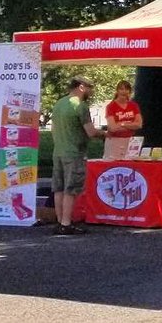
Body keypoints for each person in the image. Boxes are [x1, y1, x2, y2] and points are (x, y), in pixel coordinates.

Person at [52, 75, 105, 235]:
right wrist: (105, 134)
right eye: (90, 88)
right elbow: (91, 132)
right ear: (81, 87)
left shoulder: (59, 104)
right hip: (74, 153)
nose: (91, 92)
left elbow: (53, 129)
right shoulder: (80, 106)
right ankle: (67, 223)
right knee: (71, 189)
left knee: (59, 189)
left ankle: (60, 221)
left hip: (58, 151)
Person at [103, 80, 143, 160]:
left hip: (130, 141)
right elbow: (112, 127)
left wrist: (122, 124)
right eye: (121, 89)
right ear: (117, 91)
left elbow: (139, 124)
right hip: (114, 141)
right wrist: (131, 125)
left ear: (129, 92)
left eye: (126, 89)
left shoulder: (133, 105)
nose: (124, 91)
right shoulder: (111, 106)